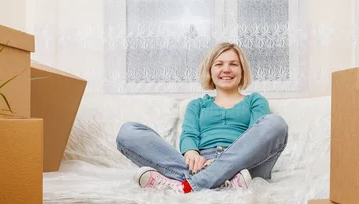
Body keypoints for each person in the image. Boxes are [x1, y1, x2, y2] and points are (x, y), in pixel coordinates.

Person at [116, 42, 289, 193]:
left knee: (276, 123)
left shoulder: (255, 100)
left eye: (233, 64)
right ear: (210, 71)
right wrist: (191, 152)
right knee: (128, 132)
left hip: (244, 165)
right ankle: (221, 182)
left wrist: (222, 162)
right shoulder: (197, 104)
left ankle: (187, 186)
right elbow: (189, 134)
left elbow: (254, 137)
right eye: (219, 64)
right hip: (200, 164)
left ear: (242, 71)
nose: (226, 69)